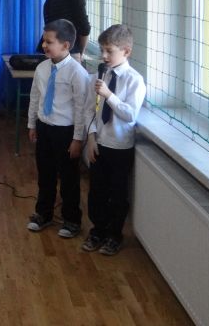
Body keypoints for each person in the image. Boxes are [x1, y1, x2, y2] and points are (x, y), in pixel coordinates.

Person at [81, 24, 146, 256]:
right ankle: (97, 230)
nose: (104, 56)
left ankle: (114, 235)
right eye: (102, 50)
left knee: (117, 195)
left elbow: (129, 115)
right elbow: (89, 110)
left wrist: (109, 95)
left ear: (126, 51)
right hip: (99, 144)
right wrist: (91, 137)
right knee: (96, 192)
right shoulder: (101, 74)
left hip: (120, 147)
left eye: (109, 51)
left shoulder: (134, 80)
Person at [26, 19, 89, 238]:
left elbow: (81, 108)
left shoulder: (77, 73)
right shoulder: (42, 68)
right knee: (45, 174)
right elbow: (35, 97)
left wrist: (78, 139)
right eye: (44, 41)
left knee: (69, 178)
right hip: (44, 128)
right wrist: (32, 124)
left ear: (66, 45)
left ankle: (71, 220)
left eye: (49, 42)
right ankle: (43, 214)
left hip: (66, 132)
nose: (44, 45)